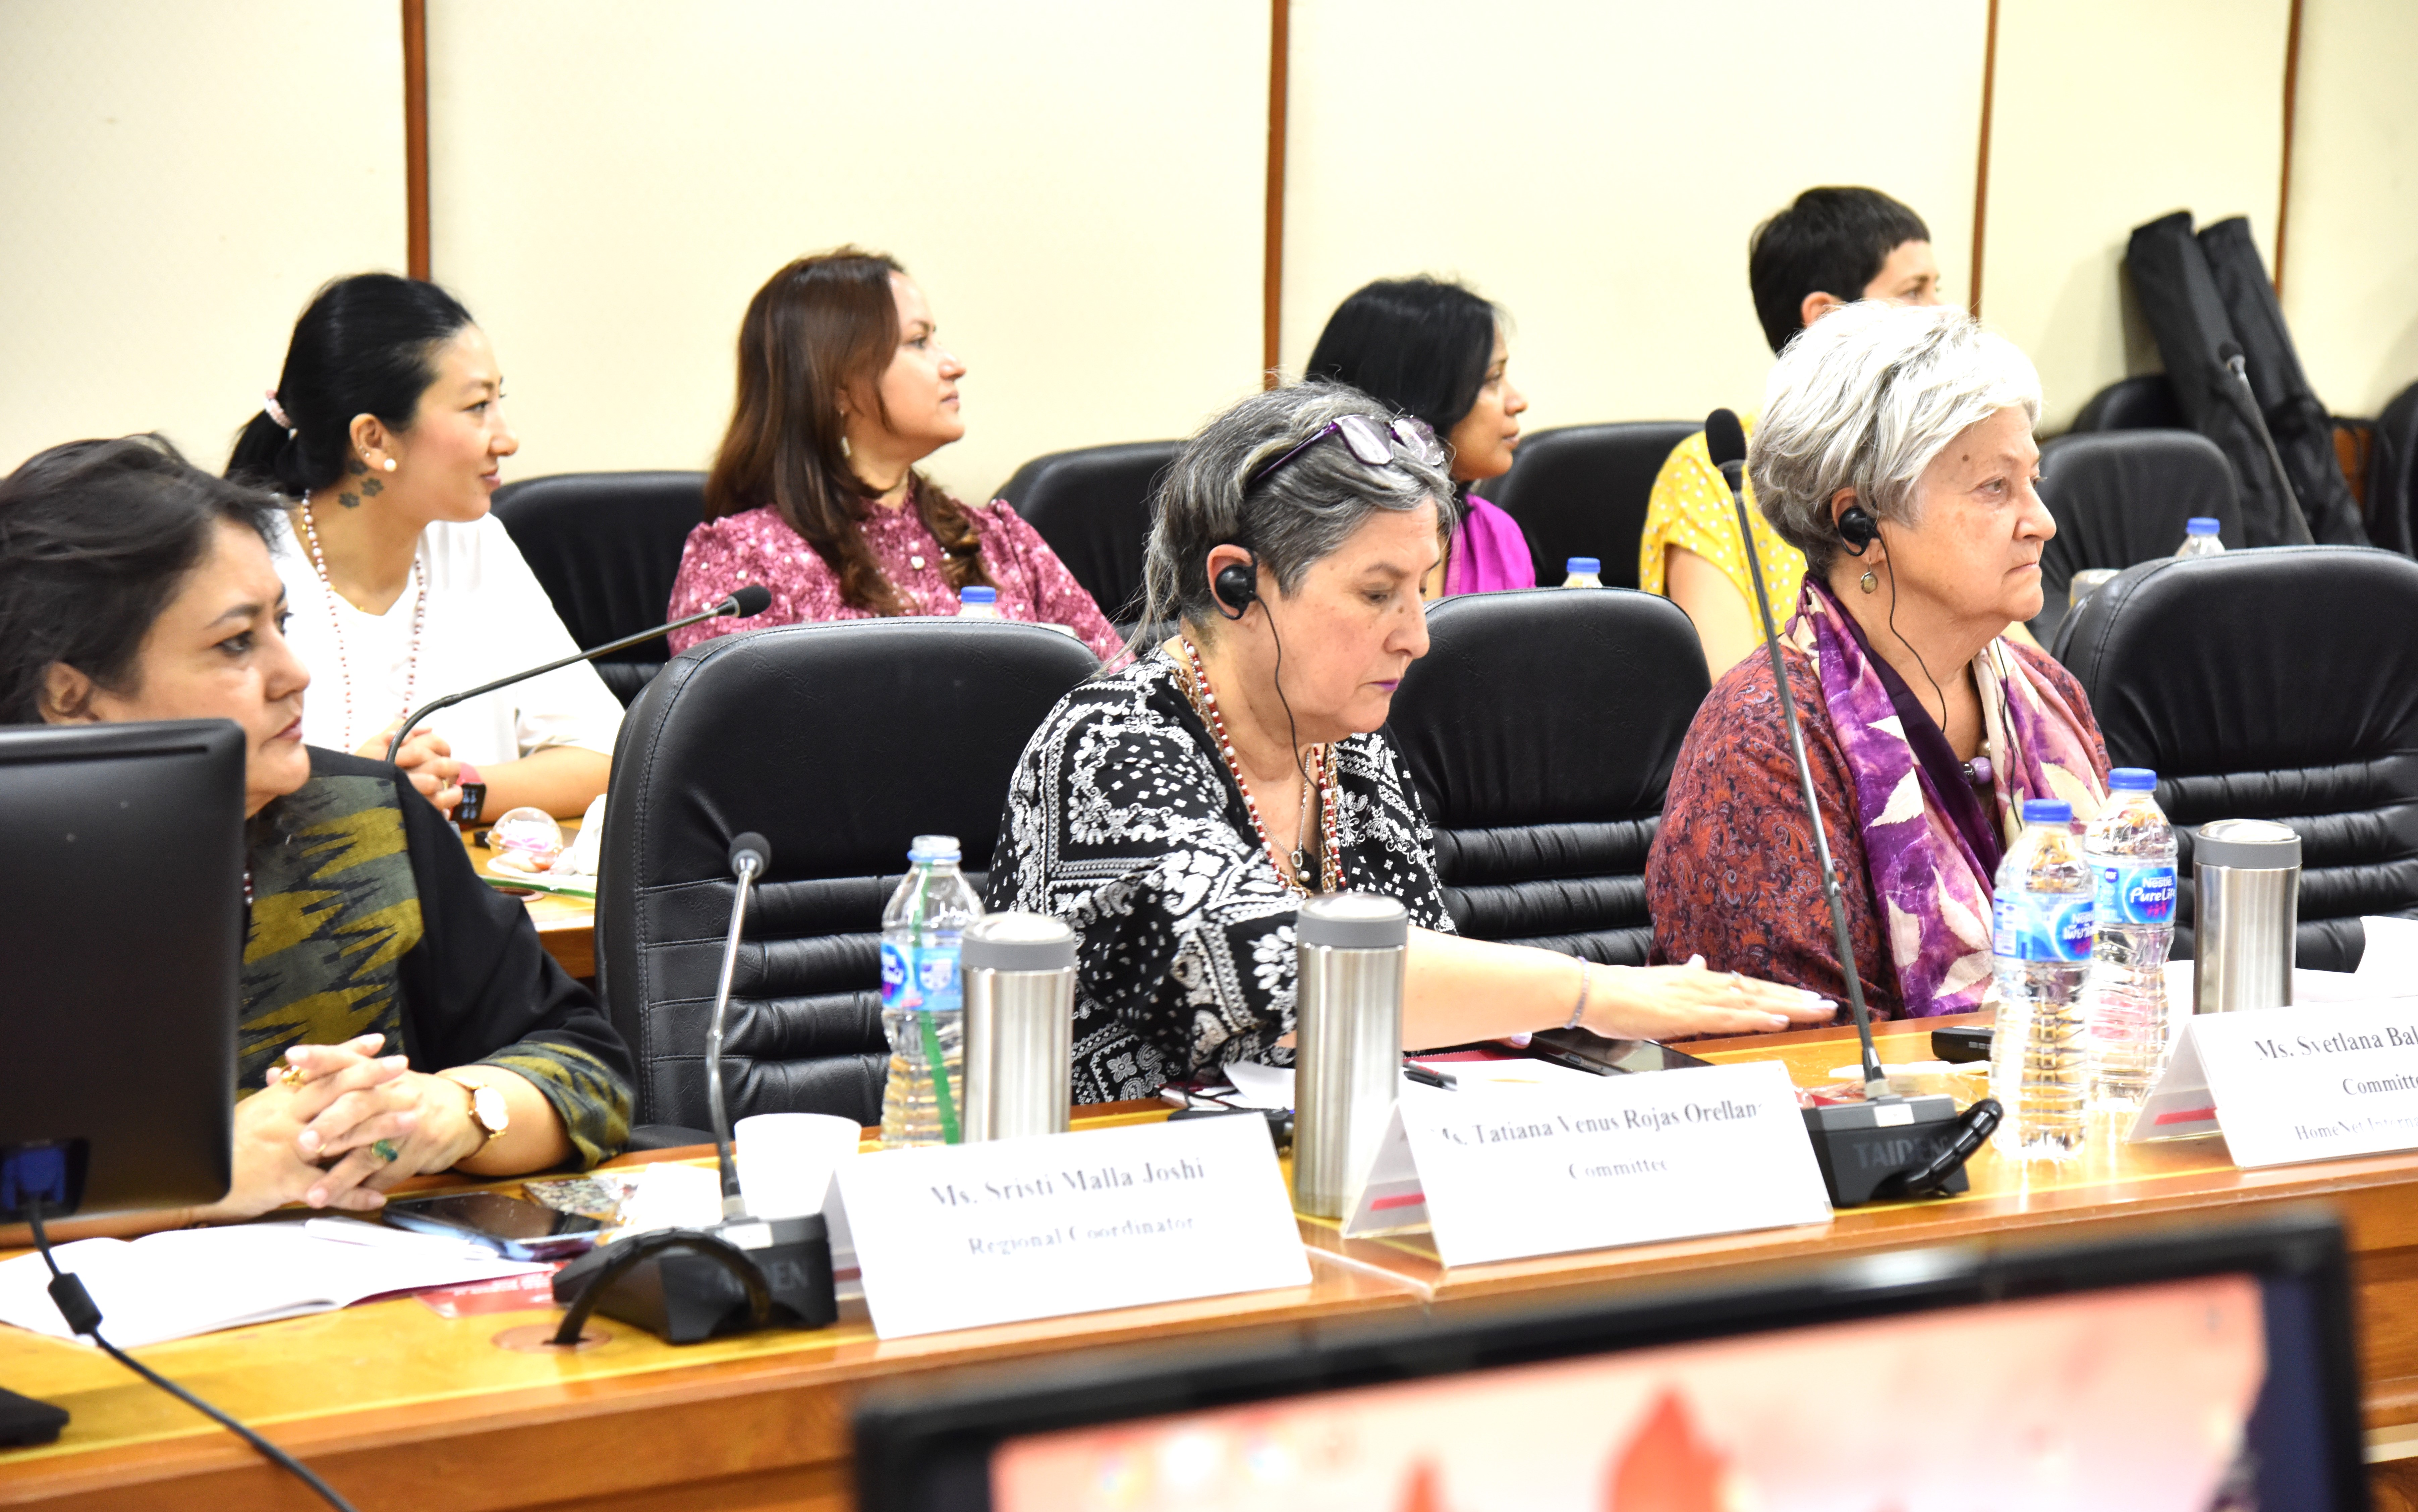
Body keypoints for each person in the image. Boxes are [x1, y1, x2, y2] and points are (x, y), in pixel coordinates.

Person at [986, 385, 1835, 1104]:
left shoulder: (1347, 748)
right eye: (1376, 594)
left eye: (1420, 590)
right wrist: (1595, 992)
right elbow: (1276, 977)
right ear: (1234, 583)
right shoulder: (1107, 748)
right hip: (1132, 1196)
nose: (1417, 638)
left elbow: (1418, 1006)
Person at [2, 437, 633, 1219]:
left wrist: (457, 1111)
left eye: (282, 622)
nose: (294, 671)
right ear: (71, 695)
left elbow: (589, 1068)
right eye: (235, 643)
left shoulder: (367, 816)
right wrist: (199, 1182)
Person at [1646, 302, 2113, 1019]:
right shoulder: (1766, 739)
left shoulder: (2048, 695)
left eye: (2033, 480)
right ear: (1858, 523)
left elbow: (2127, 975)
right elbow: (1803, 1046)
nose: (2042, 523)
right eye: (1995, 487)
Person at [228, 273, 622, 821]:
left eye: (498, 400)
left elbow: (607, 757)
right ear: (373, 439)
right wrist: (355, 790)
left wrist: (454, 789)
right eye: (477, 406)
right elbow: (197, 796)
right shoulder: (243, 566)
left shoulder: (476, 543)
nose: (507, 438)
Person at [666, 248, 1122, 659]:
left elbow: (1123, 693)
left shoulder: (1002, 541)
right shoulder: (744, 562)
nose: (954, 365)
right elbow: (730, 724)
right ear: (838, 385)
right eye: (919, 342)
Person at [1640, 188, 1946, 675]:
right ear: (1827, 319)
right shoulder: (1712, 475)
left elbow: (2018, 667)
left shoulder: (1939, 457)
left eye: (1936, 289)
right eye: (1913, 292)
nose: (1943, 314)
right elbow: (1731, 693)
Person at [1304, 276, 1534, 597]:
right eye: (1492, 379)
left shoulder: (1497, 538)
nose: (1518, 402)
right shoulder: (1307, 542)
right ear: (1419, 396)